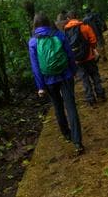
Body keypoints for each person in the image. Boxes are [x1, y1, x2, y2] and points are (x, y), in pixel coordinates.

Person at [28, 13, 84, 154]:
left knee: (58, 107)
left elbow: (35, 67)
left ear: (35, 25)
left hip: (48, 80)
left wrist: (40, 86)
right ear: (49, 22)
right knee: (71, 106)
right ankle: (78, 142)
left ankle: (66, 134)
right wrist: (73, 71)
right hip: (65, 75)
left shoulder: (33, 42)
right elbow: (70, 55)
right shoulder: (59, 35)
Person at [64, 10, 106, 106]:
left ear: (68, 19)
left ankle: (90, 98)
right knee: (95, 75)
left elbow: (66, 47)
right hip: (89, 57)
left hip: (77, 60)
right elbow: (93, 40)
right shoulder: (84, 27)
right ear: (77, 16)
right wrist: (91, 48)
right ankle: (100, 93)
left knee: (84, 79)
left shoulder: (66, 32)